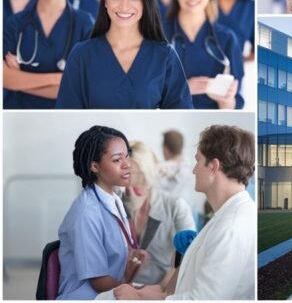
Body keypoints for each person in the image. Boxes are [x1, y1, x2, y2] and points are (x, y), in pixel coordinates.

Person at [113, 125, 255, 300]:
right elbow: (191, 277)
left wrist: (143, 299)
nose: (194, 170)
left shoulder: (230, 228)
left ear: (214, 166)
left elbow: (205, 299)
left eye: (197, 161)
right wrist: (157, 293)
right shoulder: (227, 219)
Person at [55, 0, 193, 109]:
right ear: (105, 0)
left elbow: (180, 116)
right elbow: (67, 117)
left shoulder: (164, 56)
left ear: (146, 1)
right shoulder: (82, 55)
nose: (124, 6)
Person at [57, 126, 149, 299]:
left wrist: (133, 264)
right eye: (116, 160)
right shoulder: (86, 213)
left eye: (127, 156)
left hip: (111, 291)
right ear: (94, 166)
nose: (127, 164)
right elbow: (99, 282)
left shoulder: (114, 199)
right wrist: (137, 294)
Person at [3, 0, 94, 109]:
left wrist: (21, 79)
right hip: (18, 113)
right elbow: (5, 78)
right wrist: (58, 78)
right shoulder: (16, 23)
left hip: (63, 114)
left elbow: (84, 87)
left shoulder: (84, 24)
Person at [162, 0, 244, 109]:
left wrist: (225, 100)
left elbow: (235, 104)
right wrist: (183, 89)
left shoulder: (227, 39)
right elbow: (145, 94)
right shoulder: (158, 35)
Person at [124, 141, 196, 287]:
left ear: (147, 173)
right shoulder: (116, 205)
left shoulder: (175, 206)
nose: (130, 185)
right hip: (122, 286)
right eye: (125, 175)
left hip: (161, 288)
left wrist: (159, 292)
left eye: (137, 176)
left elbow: (189, 259)